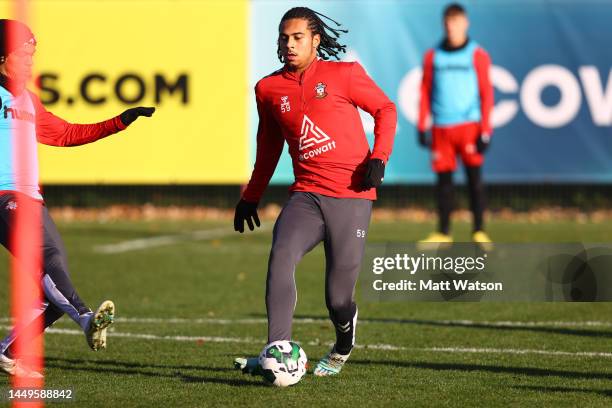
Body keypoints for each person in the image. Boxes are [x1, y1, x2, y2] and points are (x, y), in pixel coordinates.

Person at [233, 7, 396, 377]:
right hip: (306, 197)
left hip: (352, 198)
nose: (289, 45)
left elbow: (386, 109)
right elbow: (268, 147)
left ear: (316, 40)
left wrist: (379, 156)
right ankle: (277, 351)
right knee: (281, 254)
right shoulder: (269, 89)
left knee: (338, 299)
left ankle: (343, 343)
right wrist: (251, 195)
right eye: (284, 38)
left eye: (298, 38)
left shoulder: (345, 75)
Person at [0, 19, 155, 377]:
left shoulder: (29, 101)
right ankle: (87, 320)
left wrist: (119, 121)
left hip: (31, 200)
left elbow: (68, 133)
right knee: (50, 263)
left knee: (52, 289)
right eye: (24, 55)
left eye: (33, 56)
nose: (30, 63)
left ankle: (7, 350)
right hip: (5, 199)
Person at [417, 3, 494, 246]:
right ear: (444, 24)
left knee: (474, 181)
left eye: (456, 22)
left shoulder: (476, 54)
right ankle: (444, 232)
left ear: (465, 24)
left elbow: (486, 93)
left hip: (469, 126)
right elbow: (425, 90)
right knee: (444, 183)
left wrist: (486, 130)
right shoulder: (433, 56)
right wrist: (422, 124)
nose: (452, 28)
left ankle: (479, 230)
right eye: (448, 23)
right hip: (441, 127)